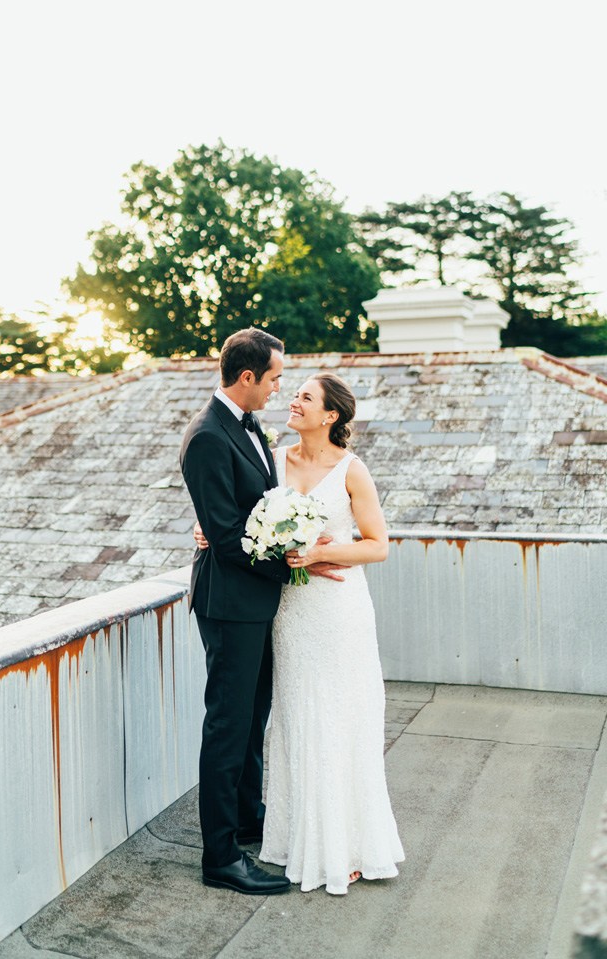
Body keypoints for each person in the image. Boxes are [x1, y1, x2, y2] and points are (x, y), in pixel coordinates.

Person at [180, 328, 343, 895]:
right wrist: (295, 568)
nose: (280, 389)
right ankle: (220, 857)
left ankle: (247, 819)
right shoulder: (207, 436)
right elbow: (227, 537)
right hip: (229, 604)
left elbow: (257, 510)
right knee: (228, 726)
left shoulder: (247, 429)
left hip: (255, 602)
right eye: (275, 379)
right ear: (247, 377)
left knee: (252, 718)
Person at [259, 371, 404, 894]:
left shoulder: (351, 470)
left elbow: (377, 545)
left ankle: (350, 843)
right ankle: (300, 837)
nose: (293, 401)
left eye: (305, 398)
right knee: (298, 715)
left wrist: (318, 551)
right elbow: (246, 521)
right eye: (293, 393)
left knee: (342, 717)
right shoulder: (273, 458)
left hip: (338, 610)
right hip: (290, 612)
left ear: (331, 416)